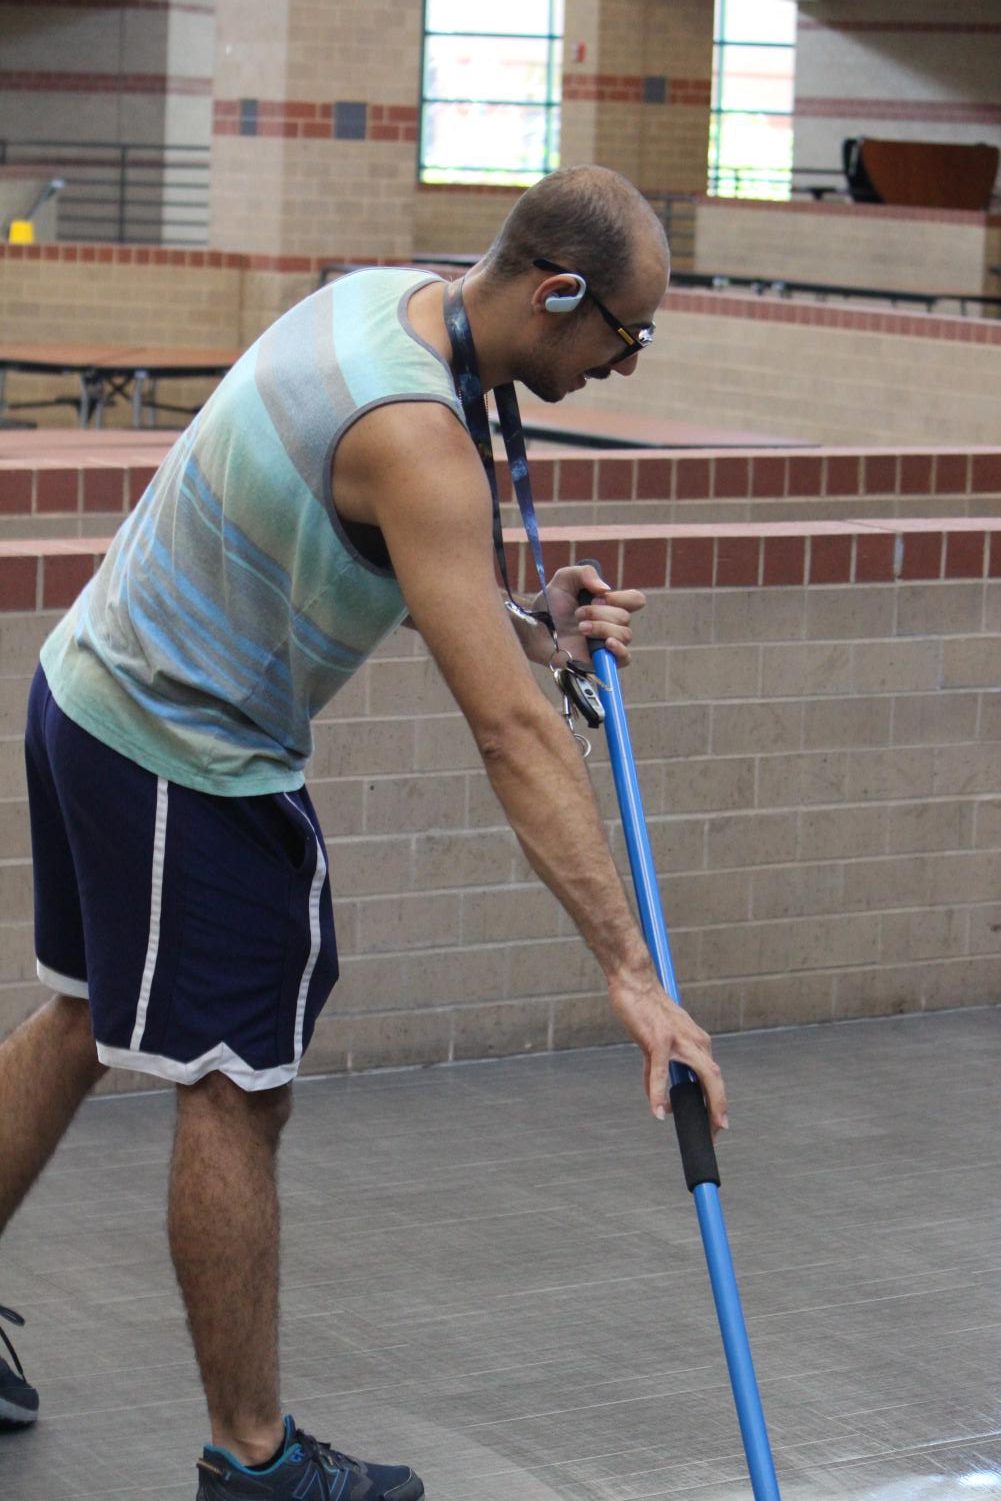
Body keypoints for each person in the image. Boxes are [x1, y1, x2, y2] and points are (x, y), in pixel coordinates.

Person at [0, 164, 727, 1500]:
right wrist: (632, 972)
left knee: (87, 1013)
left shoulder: (392, 306)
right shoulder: (413, 430)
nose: (625, 362)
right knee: (233, 1084)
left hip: (88, 688)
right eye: (626, 333)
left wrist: (528, 621)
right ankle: (254, 1460)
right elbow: (510, 733)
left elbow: (398, 559)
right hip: (175, 747)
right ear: (555, 294)